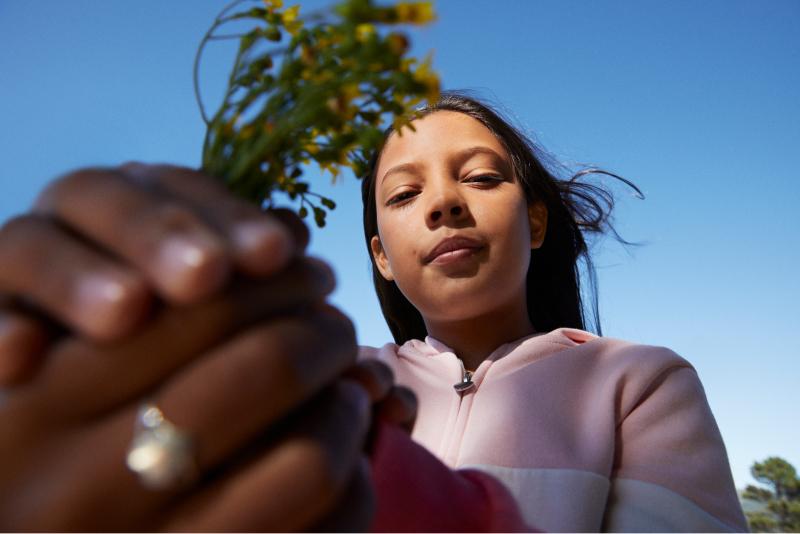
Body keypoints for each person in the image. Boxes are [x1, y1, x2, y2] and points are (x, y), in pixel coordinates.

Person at [0, 93, 747, 531]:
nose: (446, 202)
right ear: (381, 256)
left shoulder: (640, 382)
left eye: (481, 178)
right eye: (403, 194)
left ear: (539, 223)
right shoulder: (329, 384)